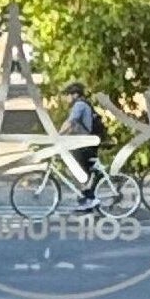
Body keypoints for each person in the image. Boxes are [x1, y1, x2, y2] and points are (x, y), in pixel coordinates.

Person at [58, 80, 114, 209]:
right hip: (85, 143)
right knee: (80, 172)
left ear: (75, 95)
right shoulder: (81, 105)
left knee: (76, 170)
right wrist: (61, 134)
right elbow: (70, 125)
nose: (66, 98)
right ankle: (86, 197)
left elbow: (71, 123)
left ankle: (90, 198)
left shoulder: (79, 106)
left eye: (68, 95)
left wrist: (57, 136)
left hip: (86, 144)